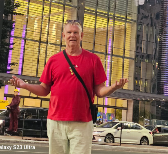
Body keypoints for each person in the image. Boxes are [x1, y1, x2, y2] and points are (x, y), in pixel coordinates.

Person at [10, 20, 128, 154]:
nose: (72, 35)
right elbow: (44, 89)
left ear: (81, 35)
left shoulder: (93, 60)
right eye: (69, 32)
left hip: (82, 122)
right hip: (56, 121)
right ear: (63, 36)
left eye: (76, 32)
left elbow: (99, 91)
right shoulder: (54, 60)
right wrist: (24, 85)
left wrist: (113, 87)